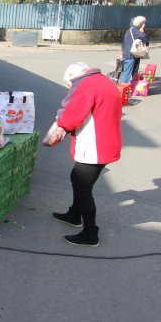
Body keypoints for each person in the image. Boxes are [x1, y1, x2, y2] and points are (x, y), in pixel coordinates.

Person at [47, 62, 122, 247]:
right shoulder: (102, 80)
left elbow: (71, 117)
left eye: (69, 85)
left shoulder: (86, 85)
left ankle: (90, 233)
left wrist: (59, 125)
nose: (70, 88)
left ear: (73, 77)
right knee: (77, 177)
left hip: (96, 144)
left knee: (83, 187)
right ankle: (74, 215)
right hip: (106, 139)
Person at [120, 15, 149, 83]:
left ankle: (132, 86)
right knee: (127, 73)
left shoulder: (131, 30)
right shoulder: (134, 30)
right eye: (143, 24)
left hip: (130, 54)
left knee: (132, 72)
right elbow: (144, 36)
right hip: (130, 55)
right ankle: (122, 89)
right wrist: (146, 44)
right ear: (140, 24)